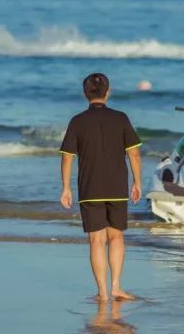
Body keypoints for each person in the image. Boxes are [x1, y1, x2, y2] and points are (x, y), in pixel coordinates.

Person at [59, 73, 142, 302]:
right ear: (108, 91)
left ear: (85, 93)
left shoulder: (77, 121)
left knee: (96, 240)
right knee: (116, 238)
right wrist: (137, 181)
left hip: (90, 188)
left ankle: (103, 293)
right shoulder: (121, 118)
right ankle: (116, 286)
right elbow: (134, 152)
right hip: (117, 186)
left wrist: (66, 188)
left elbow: (67, 157)